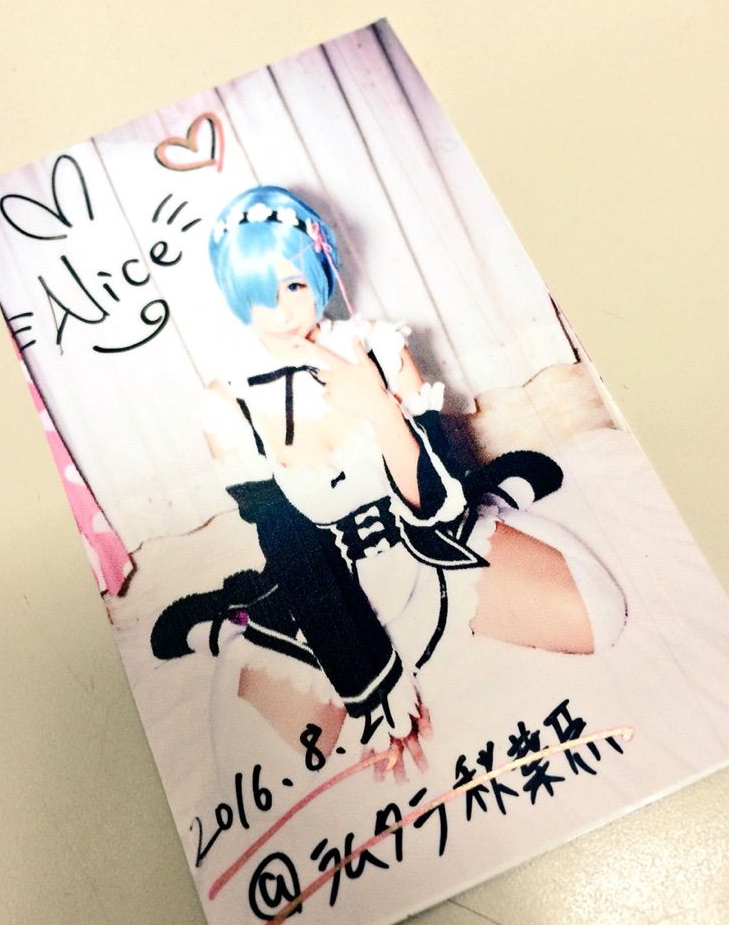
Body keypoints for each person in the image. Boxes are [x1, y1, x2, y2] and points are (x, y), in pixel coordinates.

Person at [153, 185, 626, 772]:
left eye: (294, 285)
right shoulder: (229, 403)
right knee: (265, 758)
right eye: (258, 294)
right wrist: (367, 681)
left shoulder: (377, 347)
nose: (282, 313)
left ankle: (491, 491)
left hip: (425, 543)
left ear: (320, 270)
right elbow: (290, 541)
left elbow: (442, 504)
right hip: (324, 585)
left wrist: (380, 409)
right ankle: (235, 613)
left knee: (599, 616)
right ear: (235, 295)